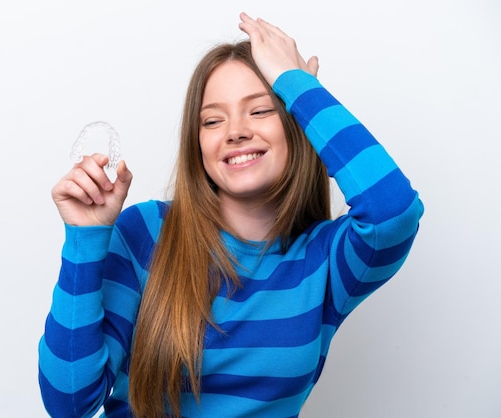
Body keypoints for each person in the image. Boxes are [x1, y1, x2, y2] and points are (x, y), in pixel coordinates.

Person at [38, 12, 424, 418]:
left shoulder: (326, 261)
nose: (234, 131)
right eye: (212, 120)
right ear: (198, 142)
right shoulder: (145, 233)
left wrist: (298, 86)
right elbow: (69, 404)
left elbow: (393, 210)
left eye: (260, 111)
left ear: (297, 125)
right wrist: (84, 240)